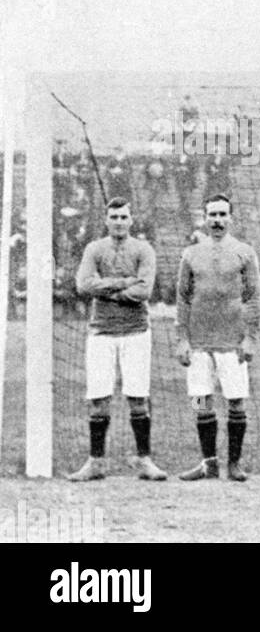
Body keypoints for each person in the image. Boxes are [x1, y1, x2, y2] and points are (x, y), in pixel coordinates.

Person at [67, 198, 167, 482]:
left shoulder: (143, 249)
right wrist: (124, 282)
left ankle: (144, 459)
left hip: (136, 331)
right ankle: (96, 462)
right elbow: (83, 284)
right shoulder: (94, 248)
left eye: (124, 217)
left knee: (138, 398)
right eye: (114, 217)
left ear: (131, 220)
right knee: (98, 398)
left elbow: (144, 290)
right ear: (106, 219)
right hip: (101, 331)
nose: (119, 221)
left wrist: (107, 288)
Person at [174, 194, 260, 482]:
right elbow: (183, 299)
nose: (217, 220)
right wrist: (182, 339)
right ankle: (208, 462)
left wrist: (250, 337)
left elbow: (253, 297)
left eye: (223, 215)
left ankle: (234, 464)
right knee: (201, 400)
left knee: (236, 401)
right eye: (212, 215)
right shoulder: (191, 254)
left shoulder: (245, 252)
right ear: (204, 218)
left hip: (232, 342)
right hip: (199, 342)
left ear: (231, 219)